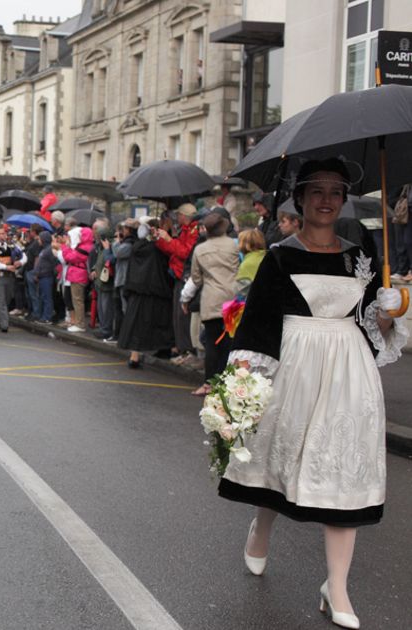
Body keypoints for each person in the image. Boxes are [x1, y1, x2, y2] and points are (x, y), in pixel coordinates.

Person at [219, 158, 407, 629]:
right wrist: (242, 386)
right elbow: (258, 327)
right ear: (299, 199)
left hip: (350, 371)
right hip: (295, 365)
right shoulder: (280, 256)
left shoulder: (360, 251)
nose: (327, 199)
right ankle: (262, 526)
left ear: (343, 200)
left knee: (345, 468)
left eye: (335, 192)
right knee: (282, 459)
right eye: (317, 191)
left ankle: (336, 586)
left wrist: (389, 312)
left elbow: (370, 327)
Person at [182, 213, 240, 395]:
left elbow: (196, 279)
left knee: (212, 343)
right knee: (229, 343)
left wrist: (185, 298)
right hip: (232, 299)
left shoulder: (200, 249)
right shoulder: (234, 245)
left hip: (211, 300)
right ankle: (226, 383)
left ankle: (208, 383)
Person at [118, 217, 175, 368]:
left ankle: (134, 356)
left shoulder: (137, 246)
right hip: (157, 290)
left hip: (137, 290)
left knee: (136, 324)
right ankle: (165, 349)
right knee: (160, 322)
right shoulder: (157, 248)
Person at [155, 204, 199, 360]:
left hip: (184, 275)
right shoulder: (186, 230)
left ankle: (187, 350)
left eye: (179, 215)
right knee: (177, 316)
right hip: (178, 274)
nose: (176, 218)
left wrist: (168, 239)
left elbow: (185, 252)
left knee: (183, 316)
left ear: (184, 216)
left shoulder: (194, 230)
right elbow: (174, 250)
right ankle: (182, 349)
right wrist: (161, 240)